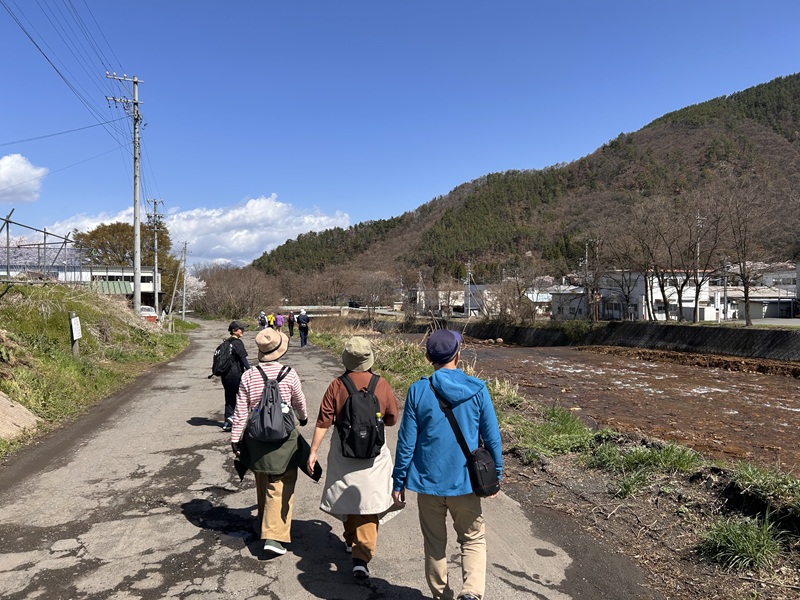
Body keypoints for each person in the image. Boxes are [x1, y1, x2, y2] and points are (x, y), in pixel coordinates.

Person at [392, 329, 502, 600]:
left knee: (435, 544)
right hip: (466, 482)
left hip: (428, 483)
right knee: (473, 539)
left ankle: (443, 596)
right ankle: (472, 593)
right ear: (458, 355)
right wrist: (495, 474)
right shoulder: (478, 389)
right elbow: (492, 438)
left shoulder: (418, 389)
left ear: (429, 357)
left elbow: (406, 442)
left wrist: (398, 481)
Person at [307, 336, 401, 579]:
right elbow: (391, 420)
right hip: (374, 452)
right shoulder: (382, 384)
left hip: (344, 450)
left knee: (347, 495)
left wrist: (313, 451)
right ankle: (362, 557)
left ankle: (350, 539)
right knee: (369, 503)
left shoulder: (336, 385)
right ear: (369, 359)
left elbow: (323, 422)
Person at [230, 327, 309, 556]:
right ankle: (274, 536)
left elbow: (241, 410)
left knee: (263, 479)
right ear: (280, 350)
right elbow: (299, 401)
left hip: (256, 439)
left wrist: (236, 439)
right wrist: (303, 418)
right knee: (281, 482)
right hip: (283, 438)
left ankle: (264, 524)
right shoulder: (289, 373)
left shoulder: (249, 375)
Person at [221, 320, 250, 432]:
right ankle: (251, 421)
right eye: (241, 329)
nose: (243, 331)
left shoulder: (226, 342)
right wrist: (250, 371)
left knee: (229, 398)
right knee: (246, 398)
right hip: (236, 375)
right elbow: (243, 359)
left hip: (225, 375)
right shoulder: (238, 343)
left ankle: (228, 422)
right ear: (234, 331)